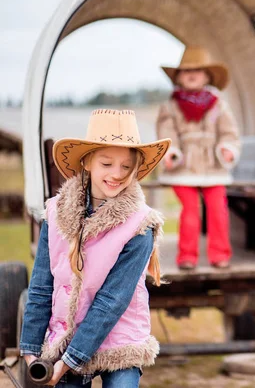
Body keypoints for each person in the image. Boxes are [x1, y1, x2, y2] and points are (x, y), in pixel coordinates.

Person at [19, 109, 171, 387]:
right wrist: (30, 351)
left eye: (126, 166)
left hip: (119, 336)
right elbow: (42, 285)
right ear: (87, 162)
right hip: (65, 334)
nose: (117, 174)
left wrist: (69, 361)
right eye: (107, 163)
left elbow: (111, 302)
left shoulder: (140, 225)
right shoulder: (55, 213)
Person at [156, 46, 241, 270]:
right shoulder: (171, 107)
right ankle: (187, 256)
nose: (192, 75)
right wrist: (171, 151)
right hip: (184, 168)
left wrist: (227, 147)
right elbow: (167, 133)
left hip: (212, 167)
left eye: (198, 71)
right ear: (179, 77)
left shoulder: (218, 105)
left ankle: (220, 254)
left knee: (218, 209)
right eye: (186, 71)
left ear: (207, 76)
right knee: (191, 210)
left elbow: (229, 132)